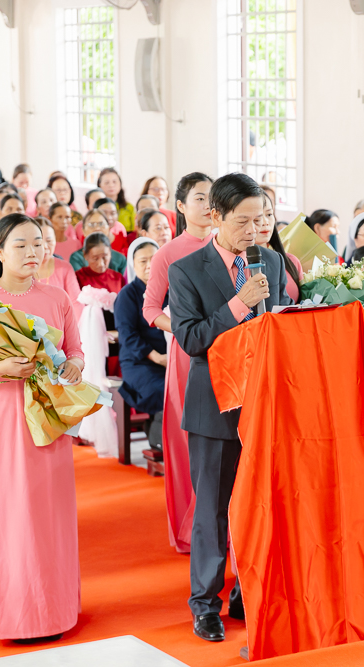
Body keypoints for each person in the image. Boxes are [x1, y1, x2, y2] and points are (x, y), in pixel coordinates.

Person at [168, 172, 292, 643]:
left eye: (260, 220)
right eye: (243, 221)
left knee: (261, 505)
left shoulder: (271, 261)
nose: (254, 230)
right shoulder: (186, 270)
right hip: (215, 407)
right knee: (213, 511)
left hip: (265, 402)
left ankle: (247, 590)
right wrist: (239, 304)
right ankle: (205, 604)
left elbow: (274, 326)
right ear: (215, 215)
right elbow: (191, 338)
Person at [0, 213, 84, 641]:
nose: (33, 252)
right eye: (21, 245)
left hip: (49, 414)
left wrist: (74, 367)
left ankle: (56, 610)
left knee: (50, 512)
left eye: (38, 244)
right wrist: (3, 367)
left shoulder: (57, 298)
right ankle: (15, 614)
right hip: (6, 417)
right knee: (11, 512)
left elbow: (75, 351)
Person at [142, 172, 213, 555]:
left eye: (212, 197)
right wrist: (187, 328)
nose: (208, 205)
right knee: (189, 442)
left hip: (230, 350)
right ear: (181, 206)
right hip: (189, 354)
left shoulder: (229, 244)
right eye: (199, 198)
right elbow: (151, 309)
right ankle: (191, 527)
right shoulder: (168, 253)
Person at [114, 238, 166, 451]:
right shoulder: (127, 295)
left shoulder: (172, 290)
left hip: (170, 358)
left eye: (154, 259)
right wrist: (158, 358)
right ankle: (159, 438)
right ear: (133, 265)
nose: (149, 265)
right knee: (163, 389)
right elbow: (128, 336)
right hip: (140, 362)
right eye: (143, 261)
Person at [255, 190, 302, 302]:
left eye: (269, 214)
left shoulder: (291, 261)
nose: (265, 222)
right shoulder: (239, 265)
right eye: (258, 216)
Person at [37, 222, 82, 320]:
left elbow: (76, 303)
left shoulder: (64, 268)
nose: (45, 246)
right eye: (39, 242)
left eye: (49, 241)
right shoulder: (21, 268)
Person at [98, 167, 135, 232]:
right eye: (107, 182)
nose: (111, 185)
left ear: (120, 184)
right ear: (99, 185)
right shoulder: (96, 207)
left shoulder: (129, 207)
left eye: (114, 182)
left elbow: (135, 231)